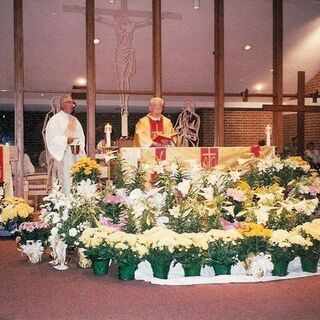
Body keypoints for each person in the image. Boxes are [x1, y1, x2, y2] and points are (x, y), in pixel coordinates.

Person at [45, 95, 86, 195]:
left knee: (74, 183)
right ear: (62, 104)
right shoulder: (54, 120)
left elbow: (81, 139)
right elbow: (51, 139)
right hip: (62, 157)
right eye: (70, 103)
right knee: (63, 184)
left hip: (74, 157)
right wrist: (65, 140)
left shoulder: (75, 121)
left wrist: (78, 148)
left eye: (73, 103)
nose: (72, 105)